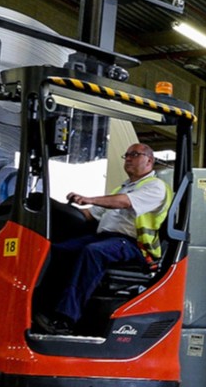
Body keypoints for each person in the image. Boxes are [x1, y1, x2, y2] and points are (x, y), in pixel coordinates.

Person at [30, 143, 169, 335]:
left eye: (134, 155)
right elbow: (90, 215)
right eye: (126, 155)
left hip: (132, 245)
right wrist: (54, 207)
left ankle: (65, 319)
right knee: (57, 249)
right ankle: (40, 307)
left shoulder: (156, 186)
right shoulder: (122, 187)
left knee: (93, 252)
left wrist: (90, 198)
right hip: (105, 238)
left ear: (149, 160)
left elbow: (124, 202)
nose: (128, 158)